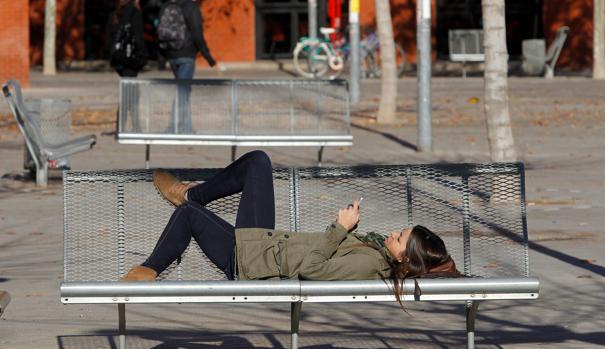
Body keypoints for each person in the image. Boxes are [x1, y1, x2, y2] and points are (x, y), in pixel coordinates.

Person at [123, 151, 461, 297]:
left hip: (251, 263)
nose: (393, 233)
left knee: (186, 215)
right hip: (264, 248)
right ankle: (192, 195)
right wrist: (351, 229)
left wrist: (340, 229)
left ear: (404, 259)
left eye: (399, 238)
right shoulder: (375, 255)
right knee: (257, 162)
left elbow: (313, 270)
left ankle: (148, 269)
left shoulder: (368, 263)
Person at [158, 0, 217, 133]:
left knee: (184, 90)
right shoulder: (192, 6)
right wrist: (207, 56)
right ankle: (173, 127)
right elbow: (197, 32)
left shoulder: (167, 6)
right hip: (186, 54)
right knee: (182, 91)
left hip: (171, 54)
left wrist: (162, 57)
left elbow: (160, 32)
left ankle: (187, 127)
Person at [107, 0, 148, 133]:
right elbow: (138, 36)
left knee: (128, 91)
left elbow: (109, 37)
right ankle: (128, 128)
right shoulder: (134, 12)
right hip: (130, 59)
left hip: (118, 59)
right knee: (131, 93)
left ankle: (129, 127)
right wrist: (143, 57)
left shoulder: (115, 13)